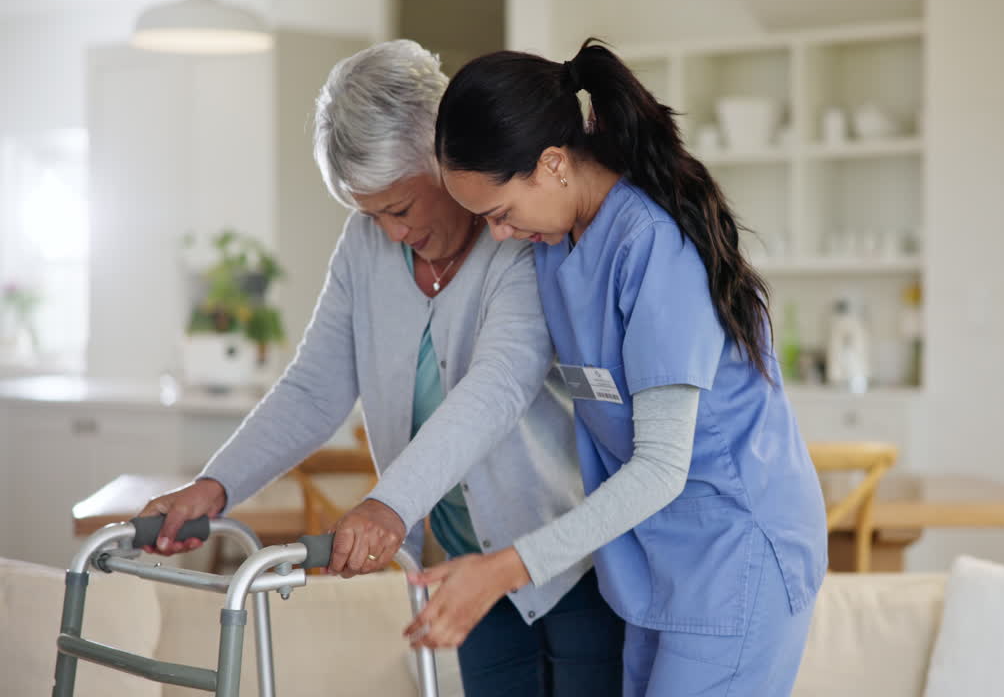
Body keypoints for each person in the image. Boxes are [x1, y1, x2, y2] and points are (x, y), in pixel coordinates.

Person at [135, 40, 623, 697]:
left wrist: (389, 505)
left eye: (400, 208)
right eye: (369, 214)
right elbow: (314, 389)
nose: (390, 233)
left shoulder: (516, 234)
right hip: (466, 567)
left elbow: (499, 385)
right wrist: (215, 486)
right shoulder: (364, 246)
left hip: (570, 556)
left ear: (442, 161)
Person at [415, 39, 828, 696]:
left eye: (500, 213)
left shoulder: (652, 248)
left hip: (737, 555)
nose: (499, 235)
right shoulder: (558, 243)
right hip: (657, 563)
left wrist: (504, 569)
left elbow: (661, 466)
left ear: (553, 164)